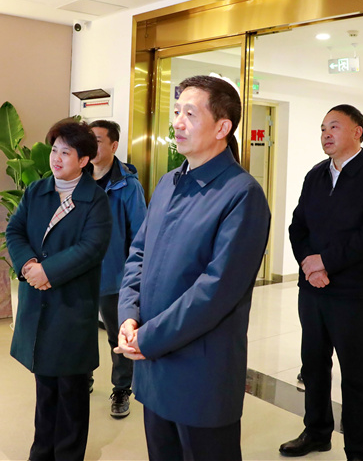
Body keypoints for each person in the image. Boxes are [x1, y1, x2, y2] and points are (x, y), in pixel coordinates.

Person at [116, 75, 270, 461]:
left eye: (190, 114)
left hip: (200, 369)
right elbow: (138, 254)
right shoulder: (168, 182)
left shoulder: (242, 194)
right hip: (153, 360)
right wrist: (129, 315)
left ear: (222, 127)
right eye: (176, 112)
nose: (178, 123)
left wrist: (148, 338)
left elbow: (216, 290)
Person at [280, 104, 363, 461]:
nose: (325, 134)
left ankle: (358, 448)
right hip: (312, 289)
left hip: (353, 293)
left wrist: (326, 262)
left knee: (356, 374)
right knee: (314, 366)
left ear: (357, 131)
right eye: (322, 128)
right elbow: (298, 226)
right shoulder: (316, 174)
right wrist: (309, 264)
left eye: (334, 127)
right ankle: (317, 432)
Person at [5, 119, 112, 461]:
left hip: (71, 305)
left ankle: (67, 454)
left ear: (84, 160)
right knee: (45, 385)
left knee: (71, 389)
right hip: (39, 303)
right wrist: (27, 266)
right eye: (54, 150)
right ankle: (41, 453)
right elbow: (14, 231)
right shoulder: (37, 191)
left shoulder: (95, 200)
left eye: (66, 152)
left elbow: (92, 247)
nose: (56, 158)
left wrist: (47, 271)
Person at [88, 119, 147, 419]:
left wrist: (133, 279)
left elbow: (140, 236)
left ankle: (122, 388)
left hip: (114, 277)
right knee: (81, 333)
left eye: (98, 140)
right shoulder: (78, 178)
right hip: (80, 275)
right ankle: (83, 378)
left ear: (113, 146)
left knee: (117, 337)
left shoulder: (128, 186)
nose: (91, 145)